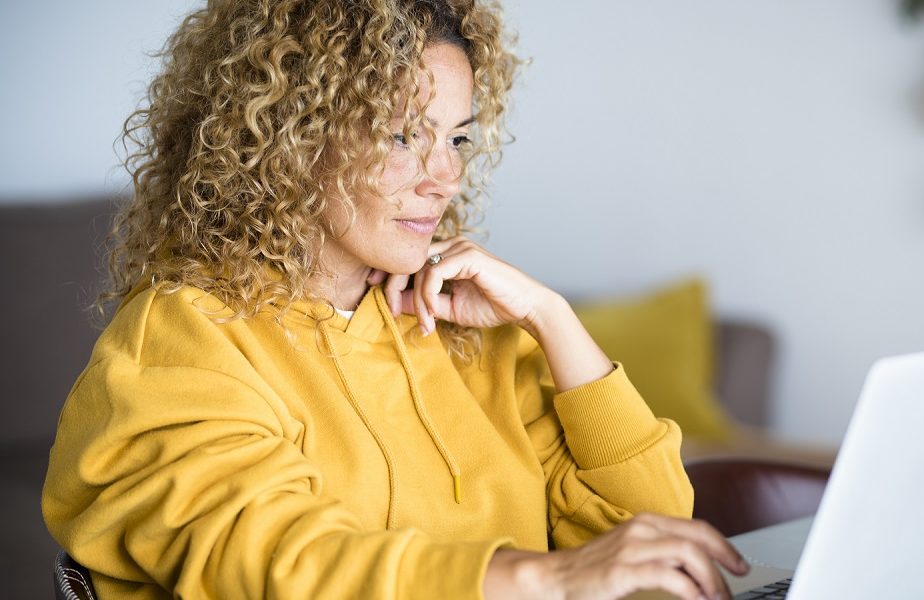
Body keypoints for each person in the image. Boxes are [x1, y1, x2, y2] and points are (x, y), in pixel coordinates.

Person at [42, 0, 748, 598]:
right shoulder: (186, 335)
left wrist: (551, 317)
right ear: (292, 139)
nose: (444, 177)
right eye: (403, 134)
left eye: (458, 139)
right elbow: (275, 561)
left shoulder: (465, 326)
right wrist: (545, 579)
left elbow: (656, 541)